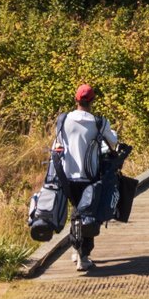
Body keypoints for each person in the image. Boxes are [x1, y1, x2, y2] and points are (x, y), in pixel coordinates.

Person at [53, 83, 124, 272]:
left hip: (66, 175)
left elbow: (58, 144)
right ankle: (83, 257)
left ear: (76, 99)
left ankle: (76, 250)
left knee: (77, 211)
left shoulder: (63, 120)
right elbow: (113, 142)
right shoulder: (99, 122)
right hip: (90, 175)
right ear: (92, 100)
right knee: (88, 214)